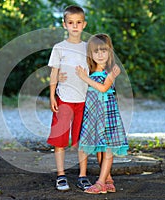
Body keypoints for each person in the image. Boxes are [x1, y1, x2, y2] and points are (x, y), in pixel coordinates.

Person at [75, 33, 129, 194]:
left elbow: (104, 88)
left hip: (107, 116)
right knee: (100, 148)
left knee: (108, 149)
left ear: (110, 52)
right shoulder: (91, 73)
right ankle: (108, 180)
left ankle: (100, 183)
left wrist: (84, 78)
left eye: (103, 51)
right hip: (94, 116)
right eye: (96, 51)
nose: (100, 54)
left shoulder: (111, 72)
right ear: (90, 55)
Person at [46, 5, 92, 191]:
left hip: (84, 100)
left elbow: (96, 71)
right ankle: (61, 175)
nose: (75, 26)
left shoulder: (89, 47)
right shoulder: (59, 48)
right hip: (64, 99)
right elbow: (54, 73)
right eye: (71, 23)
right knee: (60, 139)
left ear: (84, 24)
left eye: (78, 23)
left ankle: (82, 175)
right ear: (64, 25)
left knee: (82, 140)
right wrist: (52, 95)